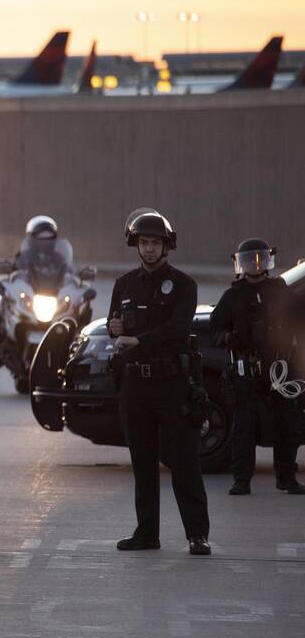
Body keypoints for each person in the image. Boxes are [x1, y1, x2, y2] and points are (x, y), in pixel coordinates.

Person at [108, 211, 210, 555]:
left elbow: (178, 329)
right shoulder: (123, 284)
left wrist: (139, 341)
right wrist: (115, 329)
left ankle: (197, 534)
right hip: (135, 384)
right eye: (143, 242)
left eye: (155, 243)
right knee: (143, 462)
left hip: (172, 383)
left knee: (183, 461)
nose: (149, 249)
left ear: (167, 246)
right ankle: (147, 533)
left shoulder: (184, 285)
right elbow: (114, 323)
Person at [210, 238, 303, 495]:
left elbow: (298, 318)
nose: (255, 265)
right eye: (249, 260)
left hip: (279, 367)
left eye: (259, 258)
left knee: (288, 422)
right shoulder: (233, 296)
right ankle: (242, 480)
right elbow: (215, 329)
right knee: (244, 425)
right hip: (246, 368)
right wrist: (229, 338)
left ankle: (287, 478)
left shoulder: (279, 290)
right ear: (240, 263)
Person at [0, 215, 60, 394]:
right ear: (32, 240)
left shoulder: (59, 259)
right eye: (41, 239)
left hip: (52, 301)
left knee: (78, 311)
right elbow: (13, 275)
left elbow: (68, 276)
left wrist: (77, 286)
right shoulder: (22, 257)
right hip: (31, 301)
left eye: (49, 239)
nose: (45, 243)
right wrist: (6, 275)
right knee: (1, 331)